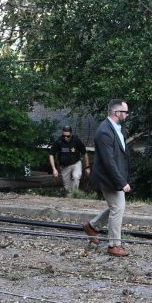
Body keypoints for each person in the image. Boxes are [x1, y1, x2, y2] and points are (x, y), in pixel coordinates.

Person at [83, 99, 132, 257]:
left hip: (114, 176)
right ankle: (114, 245)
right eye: (125, 112)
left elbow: (120, 156)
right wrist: (121, 182)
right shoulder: (104, 131)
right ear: (117, 113)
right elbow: (108, 161)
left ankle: (92, 226)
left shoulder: (117, 128)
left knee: (116, 207)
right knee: (117, 208)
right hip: (108, 178)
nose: (127, 115)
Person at [49, 126, 90, 194]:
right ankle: (70, 196)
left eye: (68, 136)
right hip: (64, 166)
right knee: (67, 187)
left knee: (76, 177)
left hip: (76, 163)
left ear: (71, 134)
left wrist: (87, 167)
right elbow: (51, 155)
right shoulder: (59, 141)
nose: (65, 137)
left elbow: (85, 153)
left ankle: (74, 195)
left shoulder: (76, 141)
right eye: (64, 135)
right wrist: (54, 169)